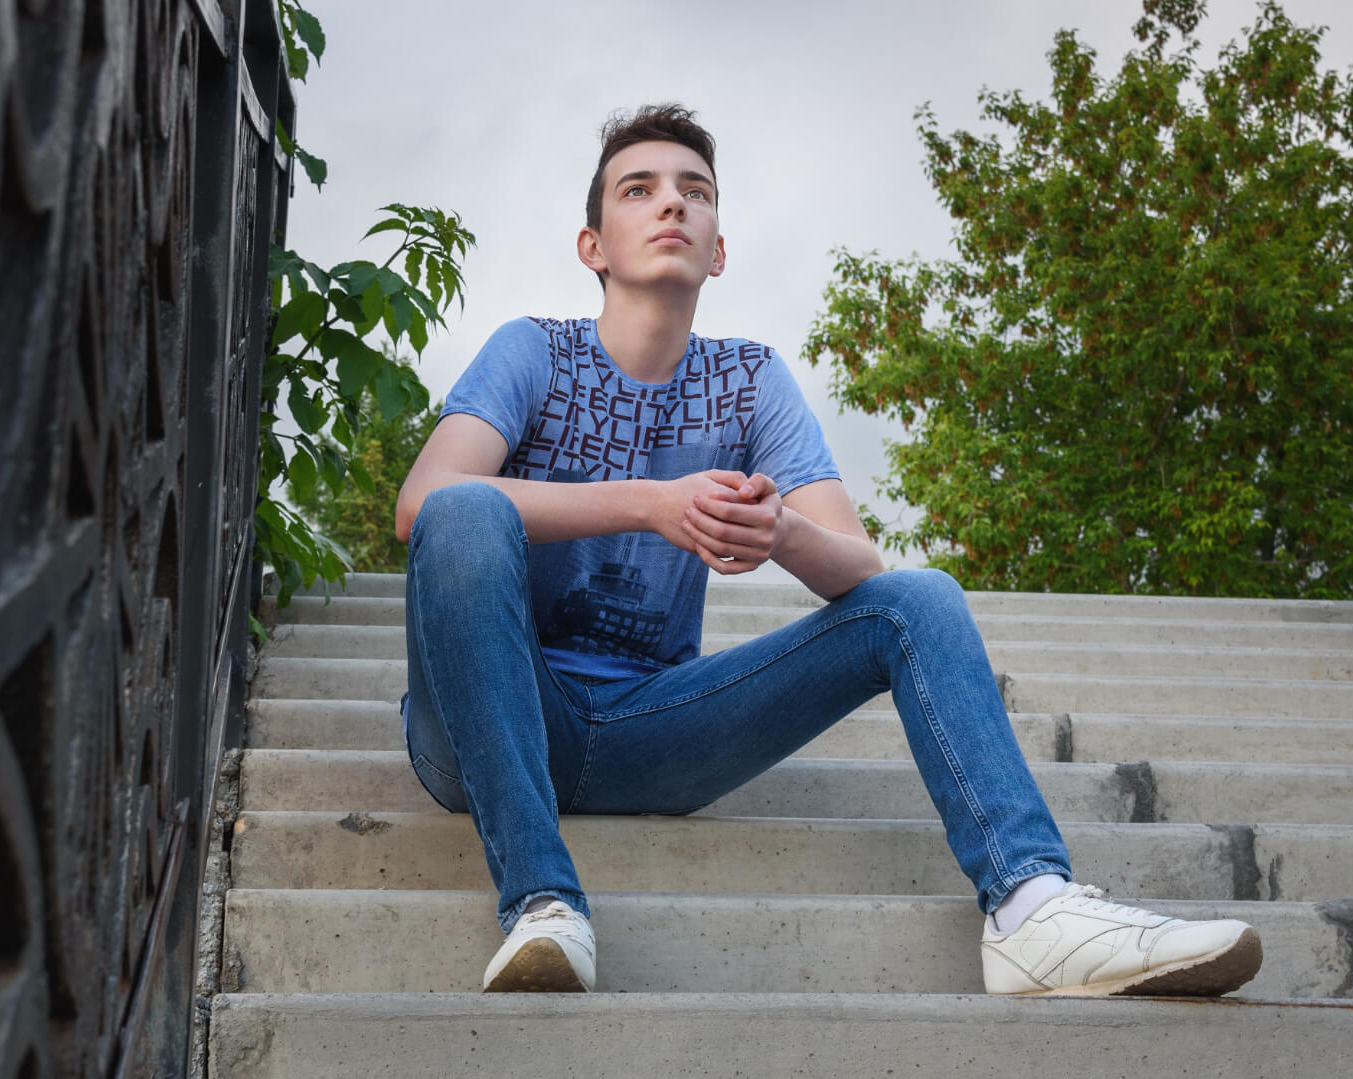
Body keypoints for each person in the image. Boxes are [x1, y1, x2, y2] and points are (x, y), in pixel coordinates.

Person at [391, 103, 1263, 997]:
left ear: (718, 249)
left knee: (920, 598)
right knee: (466, 511)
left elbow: (860, 569)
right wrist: (654, 504)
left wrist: (783, 534)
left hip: (649, 726)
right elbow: (422, 505)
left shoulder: (749, 379)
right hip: (485, 721)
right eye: (639, 190)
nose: (672, 207)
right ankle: (543, 903)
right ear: (593, 246)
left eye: (696, 193)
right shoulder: (534, 351)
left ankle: (1031, 910)